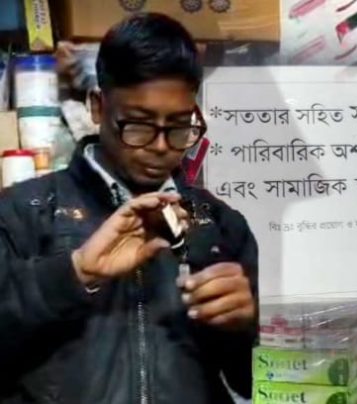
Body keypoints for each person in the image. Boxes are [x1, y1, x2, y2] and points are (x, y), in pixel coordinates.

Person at [0, 13, 258, 404]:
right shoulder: (22, 213)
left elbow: (249, 382)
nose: (160, 147)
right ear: (98, 106)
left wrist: (242, 329)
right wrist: (74, 273)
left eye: (178, 126)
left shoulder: (220, 226)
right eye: (138, 125)